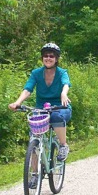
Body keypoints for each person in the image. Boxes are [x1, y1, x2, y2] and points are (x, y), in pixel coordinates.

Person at [9, 42, 72, 186]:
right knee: (34, 140)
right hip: (41, 109)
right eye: (45, 56)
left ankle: (63, 145)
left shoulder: (62, 72)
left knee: (57, 117)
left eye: (51, 56)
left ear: (56, 58)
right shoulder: (36, 73)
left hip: (59, 107)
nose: (48, 58)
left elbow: (65, 84)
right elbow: (28, 89)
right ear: (42, 58)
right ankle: (34, 174)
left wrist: (63, 93)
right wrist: (17, 102)